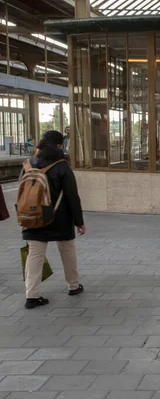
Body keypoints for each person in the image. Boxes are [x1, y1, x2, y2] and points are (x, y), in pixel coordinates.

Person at [22, 130, 85, 309]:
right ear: (60, 145)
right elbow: (73, 196)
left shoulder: (29, 164)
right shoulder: (62, 166)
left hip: (33, 217)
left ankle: (32, 295)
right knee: (67, 250)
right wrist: (79, 221)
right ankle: (73, 286)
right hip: (59, 217)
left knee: (35, 254)